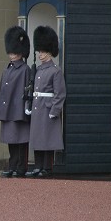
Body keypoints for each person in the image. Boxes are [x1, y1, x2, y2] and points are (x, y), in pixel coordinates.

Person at [25, 25, 66, 178]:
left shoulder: (55, 71)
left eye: (42, 52)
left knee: (47, 139)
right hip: (37, 106)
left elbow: (60, 93)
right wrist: (28, 105)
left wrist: (54, 111)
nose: (40, 54)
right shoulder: (38, 70)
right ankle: (37, 166)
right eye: (40, 52)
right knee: (37, 138)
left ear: (49, 52)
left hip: (48, 108)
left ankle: (47, 168)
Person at [0, 26, 31, 178]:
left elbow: (27, 90)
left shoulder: (25, 69)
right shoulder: (7, 69)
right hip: (8, 108)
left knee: (21, 140)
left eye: (15, 52)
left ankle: (21, 167)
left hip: (19, 108)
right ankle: (12, 165)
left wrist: (26, 108)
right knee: (11, 139)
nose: (12, 54)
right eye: (11, 51)